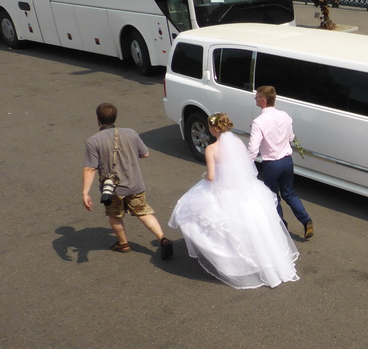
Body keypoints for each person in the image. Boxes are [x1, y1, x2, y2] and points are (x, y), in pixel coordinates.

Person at [170, 113, 299, 289]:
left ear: (214, 128)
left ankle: (238, 264)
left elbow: (212, 176)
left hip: (225, 191)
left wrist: (205, 177)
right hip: (247, 189)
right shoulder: (238, 142)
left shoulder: (211, 149)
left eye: (209, 126)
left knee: (214, 221)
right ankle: (268, 260)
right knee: (256, 224)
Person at [82, 103, 173, 258]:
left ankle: (123, 243)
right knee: (143, 212)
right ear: (115, 117)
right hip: (135, 184)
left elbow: (90, 168)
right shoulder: (130, 133)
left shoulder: (93, 141)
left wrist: (85, 193)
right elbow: (145, 154)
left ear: (98, 119)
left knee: (114, 215)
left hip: (113, 189)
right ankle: (162, 239)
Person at [248, 86, 314, 239]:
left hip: (271, 164)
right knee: (289, 193)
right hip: (287, 161)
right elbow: (291, 137)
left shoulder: (259, 122)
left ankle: (281, 225)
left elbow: (253, 148)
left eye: (257, 97)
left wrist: (246, 165)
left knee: (273, 196)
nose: (255, 99)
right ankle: (306, 220)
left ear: (263, 101)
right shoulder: (284, 116)